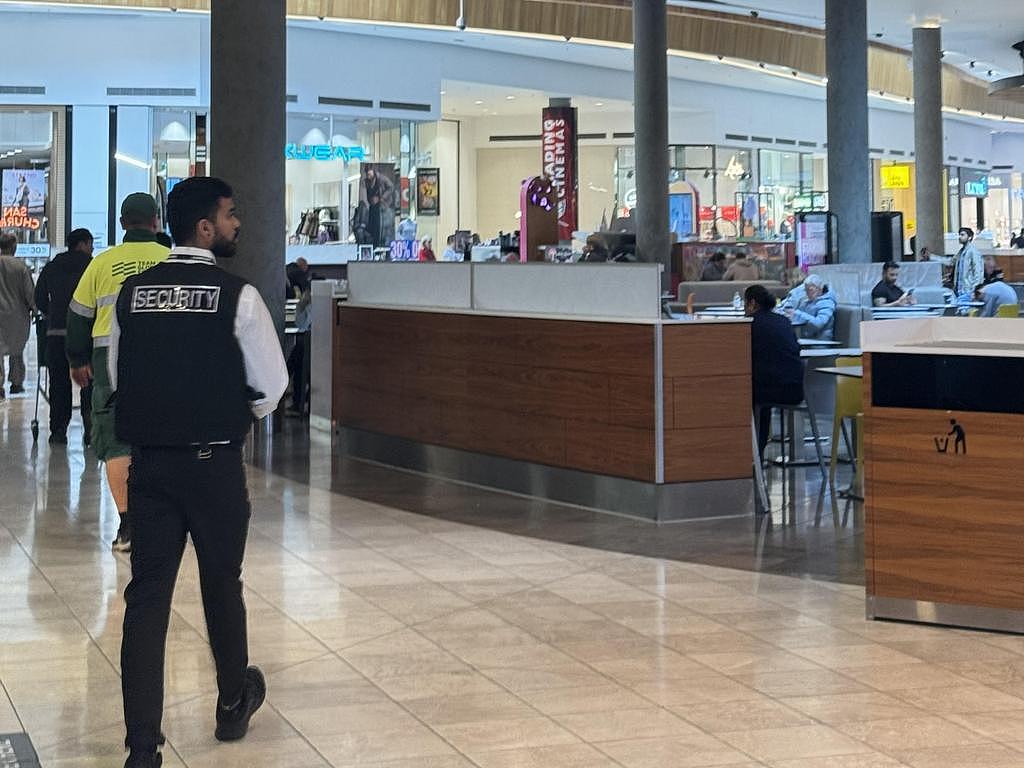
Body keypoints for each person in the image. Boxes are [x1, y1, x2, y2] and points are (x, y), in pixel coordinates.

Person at [112, 176, 287, 768]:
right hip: (213, 467)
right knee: (221, 585)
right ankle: (232, 704)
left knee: (147, 599)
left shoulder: (132, 295)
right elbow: (272, 386)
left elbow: (118, 374)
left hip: (151, 468)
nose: (238, 224)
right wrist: (229, 415)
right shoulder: (237, 296)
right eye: (231, 215)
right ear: (205, 227)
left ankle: (142, 748)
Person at [67, 193, 170, 552]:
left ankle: (127, 527)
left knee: (115, 439)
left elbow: (78, 314)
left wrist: (77, 360)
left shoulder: (102, 263)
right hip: (164, 357)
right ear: (156, 221)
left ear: (123, 223)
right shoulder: (170, 259)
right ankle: (163, 522)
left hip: (109, 357)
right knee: (165, 436)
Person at [33, 228, 94, 444]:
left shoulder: (51, 267)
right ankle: (90, 431)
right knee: (89, 382)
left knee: (58, 383)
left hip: (56, 333)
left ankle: (58, 430)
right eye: (91, 244)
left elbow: (39, 298)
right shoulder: (92, 266)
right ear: (83, 244)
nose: (92, 248)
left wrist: (53, 313)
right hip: (87, 335)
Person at [745, 284, 804, 459]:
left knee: (747, 394)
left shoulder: (751, 324)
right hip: (796, 391)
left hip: (768, 392)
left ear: (752, 303)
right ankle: (757, 454)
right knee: (762, 393)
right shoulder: (784, 322)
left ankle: (754, 454)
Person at [0, 233, 35, 398]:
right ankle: (16, 383)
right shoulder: (21, 267)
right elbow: (30, 293)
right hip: (17, 315)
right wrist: (36, 309)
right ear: (13, 247)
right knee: (17, 351)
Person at [784, 273, 836, 341]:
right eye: (806, 290)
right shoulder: (806, 301)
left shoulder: (827, 303)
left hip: (819, 342)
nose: (807, 293)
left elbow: (819, 323)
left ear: (820, 289)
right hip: (806, 339)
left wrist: (797, 314)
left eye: (810, 290)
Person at [953, 227, 984, 300]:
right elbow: (951, 261)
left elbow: (978, 272)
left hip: (968, 291)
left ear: (969, 237)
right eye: (959, 235)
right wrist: (931, 257)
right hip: (959, 290)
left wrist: (974, 291)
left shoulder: (973, 251)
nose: (960, 237)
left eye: (962, 235)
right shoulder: (961, 252)